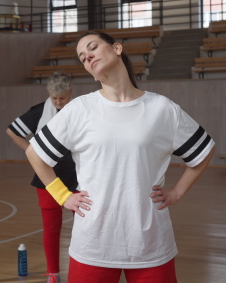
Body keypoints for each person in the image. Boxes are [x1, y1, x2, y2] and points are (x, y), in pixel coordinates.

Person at [25, 31, 215, 283]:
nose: (88, 56)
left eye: (92, 47)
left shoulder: (161, 108)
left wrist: (177, 192)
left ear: (116, 48)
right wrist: (62, 195)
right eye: (82, 57)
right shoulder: (79, 109)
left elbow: (203, 151)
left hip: (150, 244)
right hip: (93, 244)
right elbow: (35, 153)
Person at [6, 71, 78, 283]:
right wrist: (32, 151)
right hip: (47, 178)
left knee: (83, 228)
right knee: (51, 228)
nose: (57, 102)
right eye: (54, 98)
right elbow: (12, 131)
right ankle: (53, 273)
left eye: (62, 98)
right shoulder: (39, 111)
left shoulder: (81, 110)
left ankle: (79, 270)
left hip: (78, 177)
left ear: (71, 93)